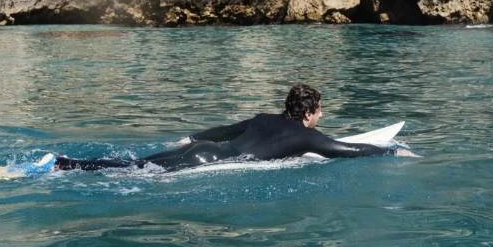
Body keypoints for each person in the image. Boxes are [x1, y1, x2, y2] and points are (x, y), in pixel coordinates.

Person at [54, 83, 419, 172]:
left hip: (199, 150)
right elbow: (347, 151)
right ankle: (67, 166)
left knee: (134, 166)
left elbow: (227, 128)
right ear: (309, 113)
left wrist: (194, 137)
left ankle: (69, 163)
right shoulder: (309, 136)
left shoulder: (263, 118)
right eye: (320, 111)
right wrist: (393, 150)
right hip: (208, 165)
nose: (320, 118)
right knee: (139, 176)